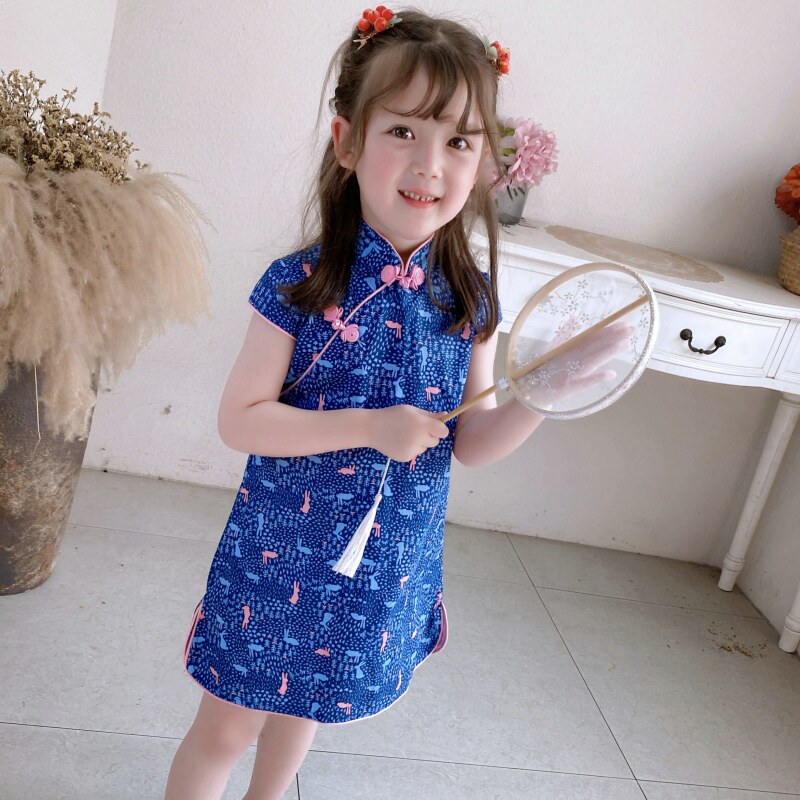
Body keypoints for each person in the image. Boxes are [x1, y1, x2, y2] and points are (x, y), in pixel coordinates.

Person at [164, 8, 545, 800]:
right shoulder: (299, 286)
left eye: (459, 141)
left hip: (381, 567)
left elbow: (471, 440)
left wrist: (544, 397)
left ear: (483, 163)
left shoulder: (470, 301)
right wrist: (370, 427)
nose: (430, 164)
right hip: (279, 559)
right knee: (228, 727)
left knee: (306, 711)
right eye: (403, 131)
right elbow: (240, 419)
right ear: (347, 142)